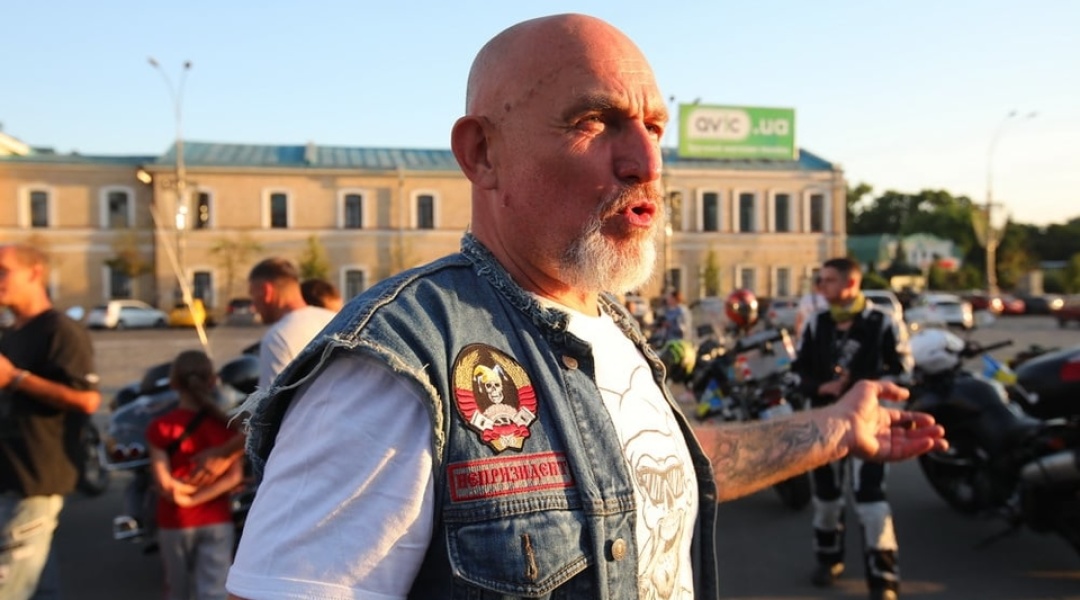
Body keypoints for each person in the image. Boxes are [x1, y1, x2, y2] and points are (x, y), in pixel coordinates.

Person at [226, 14, 945, 600]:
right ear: (483, 153)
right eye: (596, 121)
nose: (647, 164)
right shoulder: (396, 368)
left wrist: (835, 427)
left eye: (654, 128)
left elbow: (656, 472)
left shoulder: (611, 326)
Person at [792, 257, 913, 600]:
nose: (821, 286)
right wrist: (821, 387)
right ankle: (828, 559)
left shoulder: (882, 322)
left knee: (871, 498)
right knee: (826, 497)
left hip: (869, 424)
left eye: (828, 280)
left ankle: (884, 577)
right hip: (824, 421)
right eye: (820, 280)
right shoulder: (817, 323)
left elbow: (904, 373)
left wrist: (861, 386)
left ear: (851, 283)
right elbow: (796, 372)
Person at [0, 243, 101, 599]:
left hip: (36, 478)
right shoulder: (11, 332)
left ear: (35, 273)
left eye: (3, 271)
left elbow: (88, 399)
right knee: (41, 585)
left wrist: (16, 379)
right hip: (12, 475)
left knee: (10, 586)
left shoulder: (59, 330)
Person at [185, 259, 335, 489]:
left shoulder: (280, 336)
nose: (254, 306)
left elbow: (269, 415)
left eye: (253, 295)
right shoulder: (332, 318)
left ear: (266, 291)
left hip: (306, 463)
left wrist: (222, 454)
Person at [147, 350, 243, 600]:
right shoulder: (227, 428)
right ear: (213, 381)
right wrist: (197, 499)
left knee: (176, 589)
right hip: (217, 519)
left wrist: (186, 497)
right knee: (215, 591)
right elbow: (234, 478)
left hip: (174, 521)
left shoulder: (160, 427)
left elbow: (164, 483)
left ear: (173, 383)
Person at [794, 273, 827, 342]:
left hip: (806, 333)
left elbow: (799, 318)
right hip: (824, 335)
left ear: (814, 286)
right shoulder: (829, 299)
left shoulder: (805, 299)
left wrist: (797, 335)